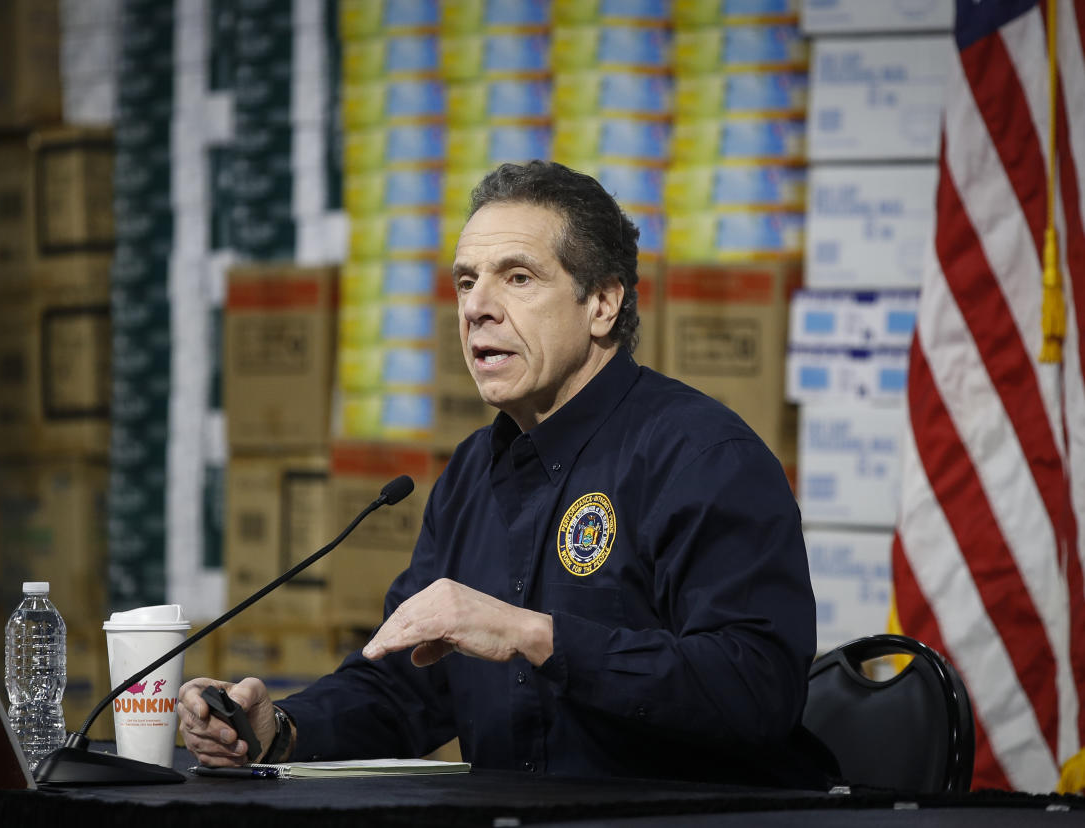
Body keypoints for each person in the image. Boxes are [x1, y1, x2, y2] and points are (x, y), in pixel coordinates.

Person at [178, 160, 831, 788]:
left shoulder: (703, 456)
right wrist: (281, 729)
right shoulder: (467, 474)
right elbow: (407, 688)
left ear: (602, 303)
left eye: (517, 278)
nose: (477, 308)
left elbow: (756, 690)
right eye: (466, 282)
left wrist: (533, 636)